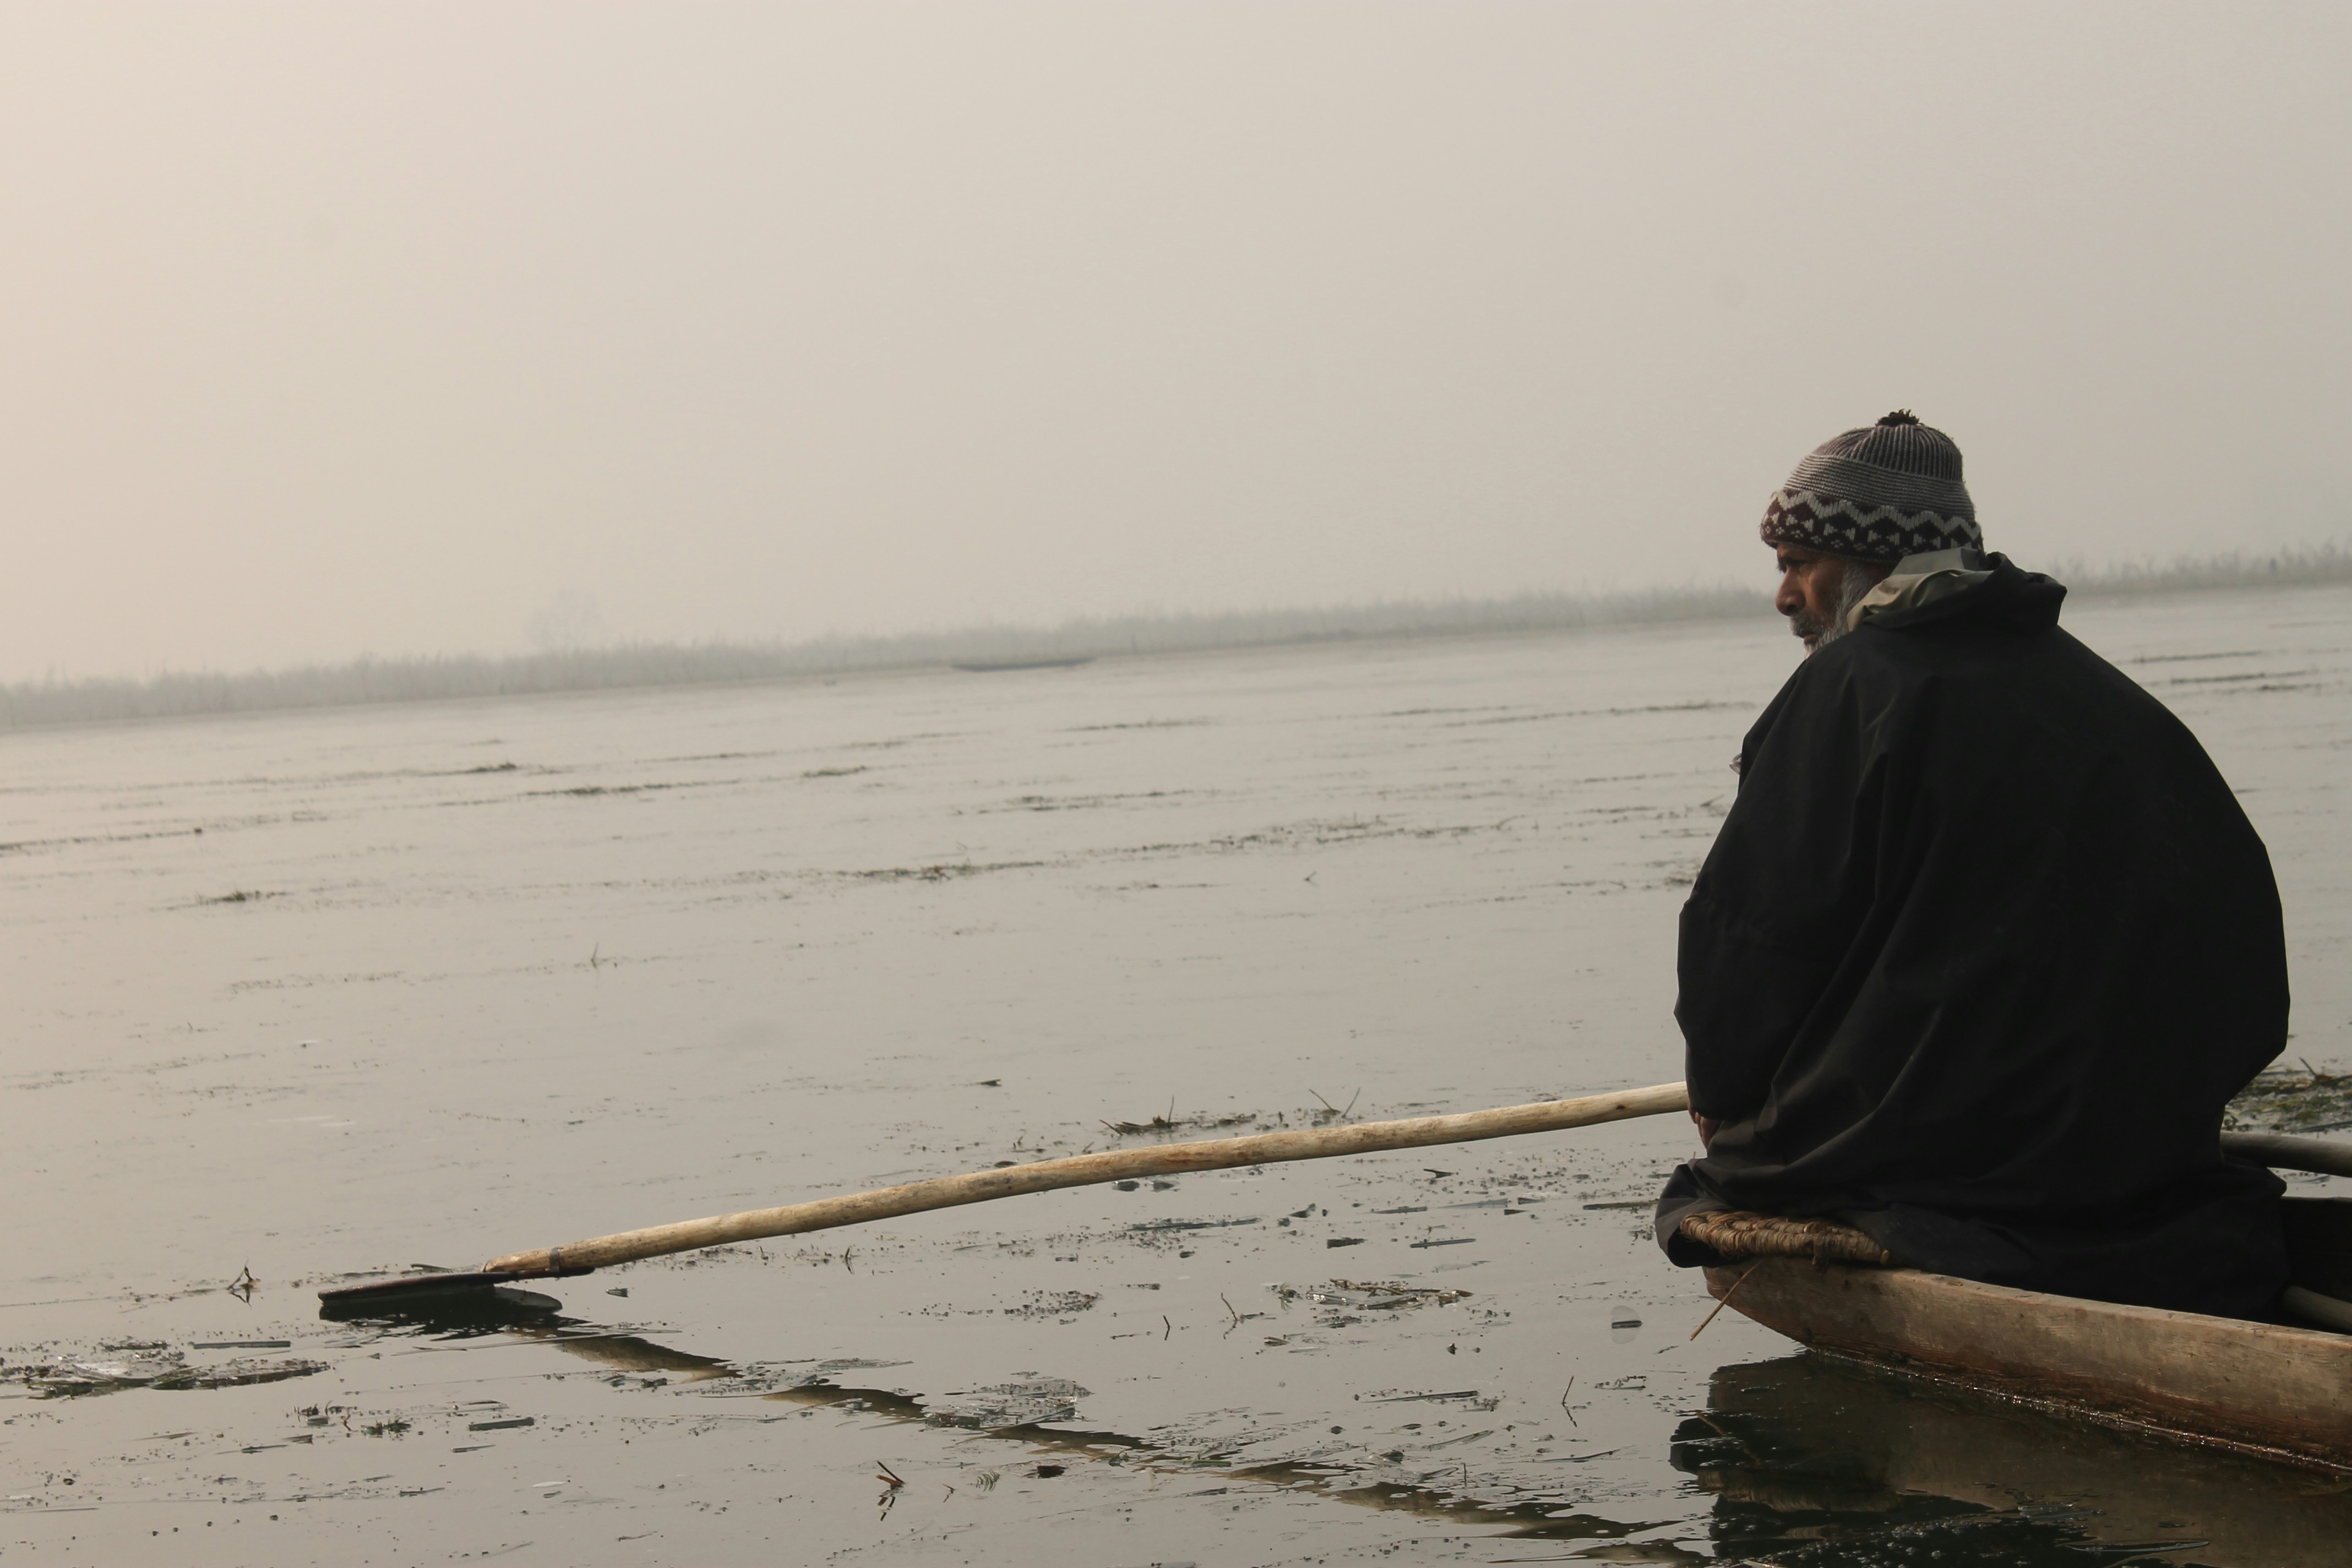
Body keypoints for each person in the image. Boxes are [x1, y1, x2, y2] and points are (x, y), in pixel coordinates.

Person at [1654, 411, 2291, 1320]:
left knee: (1713, 1184)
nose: (1787, 596)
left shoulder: (1849, 687)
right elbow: (2240, 947)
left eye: (1800, 564)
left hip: (1936, 1157)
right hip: (2132, 1161)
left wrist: (1725, 1102)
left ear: (1871, 562)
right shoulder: (2101, 694)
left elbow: (1751, 939)